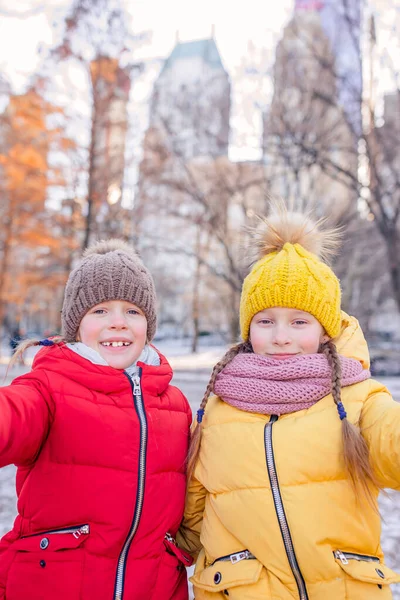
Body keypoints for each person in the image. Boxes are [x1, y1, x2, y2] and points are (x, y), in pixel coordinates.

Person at [178, 206, 400, 599]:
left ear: (326, 330)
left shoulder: (359, 398)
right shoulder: (218, 407)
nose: (282, 336)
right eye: (266, 321)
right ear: (248, 329)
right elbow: (192, 510)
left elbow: (392, 443)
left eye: (300, 322)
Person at [0, 240, 192, 600]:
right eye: (100, 311)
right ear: (77, 325)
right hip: (53, 586)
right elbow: (12, 415)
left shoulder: (175, 406)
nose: (118, 322)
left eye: (133, 312)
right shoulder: (49, 389)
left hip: (152, 587)